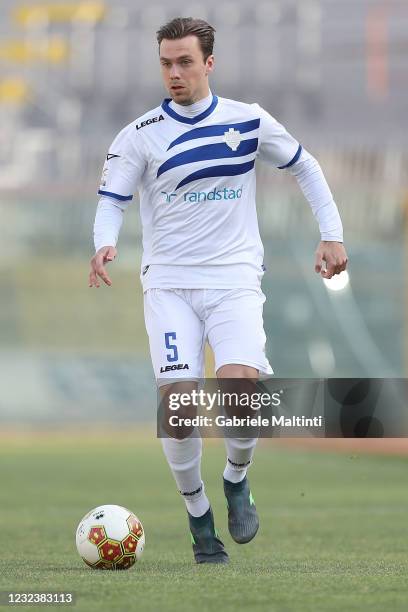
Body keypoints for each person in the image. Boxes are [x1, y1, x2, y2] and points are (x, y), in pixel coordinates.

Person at [88, 17, 348, 564]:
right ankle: (199, 518)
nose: (174, 73)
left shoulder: (248, 120)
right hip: (170, 286)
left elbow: (306, 167)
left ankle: (236, 480)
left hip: (233, 280)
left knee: (239, 392)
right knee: (178, 409)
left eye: (185, 62)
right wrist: (104, 243)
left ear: (209, 63)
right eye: (166, 62)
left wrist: (332, 234)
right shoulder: (139, 134)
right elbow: (113, 198)